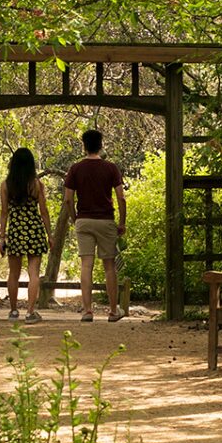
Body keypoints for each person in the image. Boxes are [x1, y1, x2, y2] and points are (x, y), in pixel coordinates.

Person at [62, 128, 126, 321]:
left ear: (84, 146)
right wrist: (122, 222)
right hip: (106, 220)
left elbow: (67, 200)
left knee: (86, 265)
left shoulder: (75, 169)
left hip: (84, 220)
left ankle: (88, 310)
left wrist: (75, 219)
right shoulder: (111, 168)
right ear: (101, 145)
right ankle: (114, 311)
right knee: (109, 266)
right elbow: (121, 198)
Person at [0, 147, 50, 322]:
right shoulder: (36, 184)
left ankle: (13, 311)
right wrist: (50, 235)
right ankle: (30, 312)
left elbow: (4, 212)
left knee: (13, 273)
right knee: (34, 272)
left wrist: (2, 236)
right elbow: (44, 212)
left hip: (16, 231)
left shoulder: (6, 185)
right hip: (34, 230)